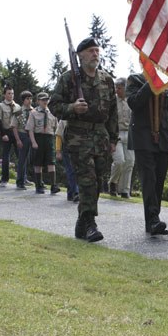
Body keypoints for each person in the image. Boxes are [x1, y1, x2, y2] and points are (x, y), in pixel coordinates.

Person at [49, 37, 118, 243]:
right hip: (78, 137)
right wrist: (72, 108)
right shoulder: (69, 79)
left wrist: (113, 138)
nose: (95, 54)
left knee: (97, 182)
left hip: (101, 137)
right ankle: (90, 224)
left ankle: (82, 221)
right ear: (80, 56)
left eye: (97, 50)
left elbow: (113, 112)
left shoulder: (106, 80)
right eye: (90, 51)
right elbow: (54, 105)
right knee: (87, 181)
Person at [127, 73, 168, 235]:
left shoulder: (165, 84)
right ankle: (153, 219)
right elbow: (134, 103)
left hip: (162, 139)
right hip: (142, 137)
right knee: (149, 179)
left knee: (159, 179)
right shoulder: (134, 80)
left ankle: (153, 220)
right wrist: (151, 82)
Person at [108, 77, 135, 198]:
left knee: (129, 162)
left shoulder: (131, 100)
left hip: (129, 133)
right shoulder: (112, 101)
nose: (117, 90)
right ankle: (113, 182)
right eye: (116, 88)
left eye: (119, 88)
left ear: (125, 88)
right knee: (119, 161)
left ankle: (125, 190)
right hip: (116, 133)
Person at [27, 93, 59, 194]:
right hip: (38, 137)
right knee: (38, 163)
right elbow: (30, 129)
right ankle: (38, 185)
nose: (45, 102)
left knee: (51, 161)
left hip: (49, 138)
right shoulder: (33, 113)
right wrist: (33, 142)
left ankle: (53, 185)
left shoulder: (52, 113)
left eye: (46, 100)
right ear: (38, 101)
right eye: (42, 100)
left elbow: (56, 128)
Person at [0, 85, 20, 187]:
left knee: (20, 155)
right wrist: (3, 134)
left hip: (16, 132)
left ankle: (22, 178)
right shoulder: (1, 106)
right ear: (5, 94)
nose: (11, 95)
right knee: (6, 156)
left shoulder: (17, 106)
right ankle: (4, 179)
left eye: (12, 93)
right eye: (9, 93)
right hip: (6, 131)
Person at [12, 91, 33, 190]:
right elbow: (14, 127)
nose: (29, 101)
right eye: (27, 99)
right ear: (23, 100)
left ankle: (25, 178)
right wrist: (18, 140)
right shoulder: (19, 111)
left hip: (32, 136)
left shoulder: (33, 111)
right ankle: (20, 181)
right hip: (23, 135)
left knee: (28, 159)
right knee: (22, 159)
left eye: (30, 98)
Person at [55, 120, 79, 202]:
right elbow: (59, 135)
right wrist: (58, 151)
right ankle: (76, 192)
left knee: (76, 170)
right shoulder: (64, 120)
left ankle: (71, 193)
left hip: (78, 148)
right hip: (67, 148)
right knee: (71, 170)